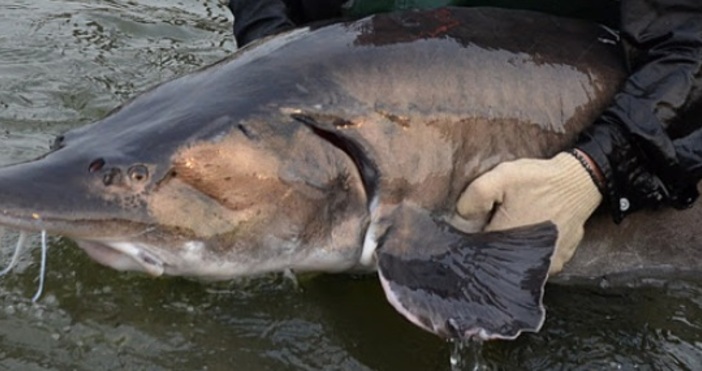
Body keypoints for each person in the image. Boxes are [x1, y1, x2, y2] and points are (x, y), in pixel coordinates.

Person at [227, 0, 702, 274]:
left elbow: (694, 47)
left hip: (596, 123)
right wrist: (272, 56)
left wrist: (590, 172)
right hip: (365, 86)